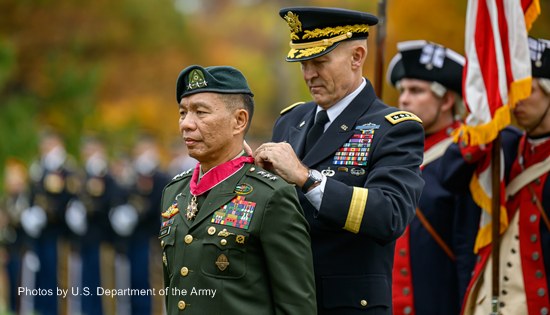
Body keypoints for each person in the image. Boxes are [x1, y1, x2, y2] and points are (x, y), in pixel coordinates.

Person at [254, 7, 425, 315]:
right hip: (283, 301)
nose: (309, 74)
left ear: (357, 57)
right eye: (303, 63)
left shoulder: (395, 128)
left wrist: (307, 178)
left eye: (319, 62)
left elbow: (390, 215)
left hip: (346, 305)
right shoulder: (291, 120)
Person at [161, 65, 317, 314]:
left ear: (239, 120)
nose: (186, 124)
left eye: (200, 112)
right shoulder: (174, 191)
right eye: (182, 112)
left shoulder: (270, 195)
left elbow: (296, 306)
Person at [442, 36, 550, 315]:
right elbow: (450, 175)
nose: (515, 101)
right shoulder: (509, 145)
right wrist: (483, 122)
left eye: (526, 90)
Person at [387, 40, 480, 315]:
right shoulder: (394, 153)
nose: (403, 99)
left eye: (416, 91)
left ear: (447, 100)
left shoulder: (466, 156)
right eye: (402, 90)